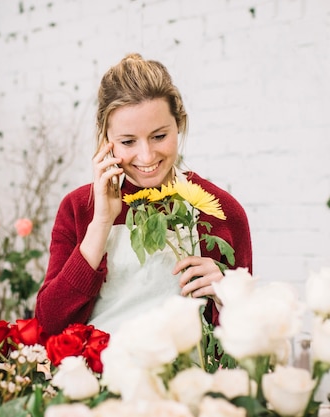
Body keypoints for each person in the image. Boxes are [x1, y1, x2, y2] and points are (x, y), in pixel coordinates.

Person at [35, 53, 252, 336]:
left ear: (180, 124)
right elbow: (48, 325)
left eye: (159, 136)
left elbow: (247, 339)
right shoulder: (78, 208)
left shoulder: (222, 210)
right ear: (106, 140)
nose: (147, 156)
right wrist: (101, 223)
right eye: (127, 142)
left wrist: (230, 295)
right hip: (98, 376)